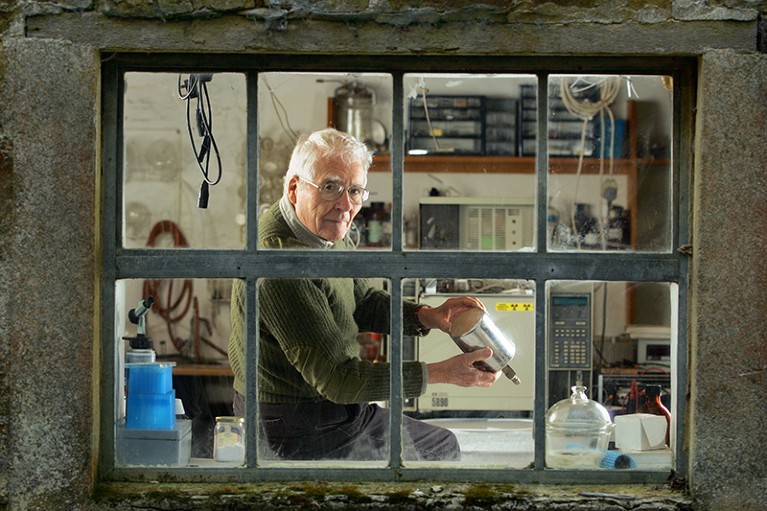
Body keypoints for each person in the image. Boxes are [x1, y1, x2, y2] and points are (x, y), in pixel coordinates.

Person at [228, 128, 500, 461]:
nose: (345, 205)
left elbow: (363, 302)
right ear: (295, 188)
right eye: (330, 187)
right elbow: (338, 379)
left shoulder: (322, 228)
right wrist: (442, 373)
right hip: (295, 425)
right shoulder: (280, 265)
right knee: (441, 447)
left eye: (355, 191)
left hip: (323, 407)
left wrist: (429, 315)